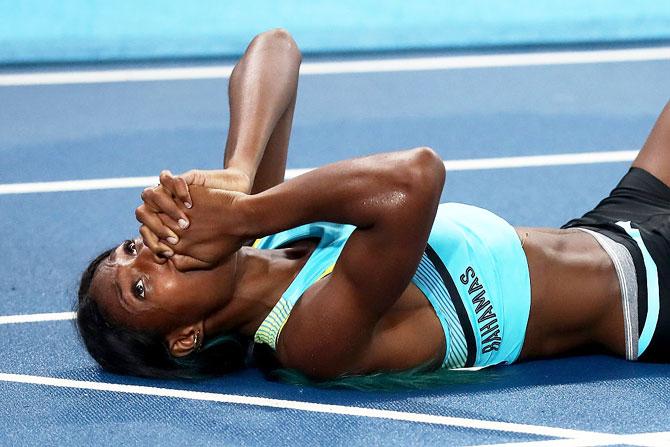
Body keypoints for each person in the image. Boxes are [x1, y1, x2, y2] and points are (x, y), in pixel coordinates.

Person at [76, 29, 670, 388]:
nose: (149, 256)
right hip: (648, 300)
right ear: (186, 339)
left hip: (616, 225)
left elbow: (275, 47)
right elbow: (415, 178)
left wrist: (237, 176)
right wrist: (240, 215)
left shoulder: (262, 240)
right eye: (141, 290)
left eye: (130, 250)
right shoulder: (310, 341)